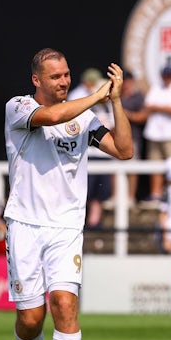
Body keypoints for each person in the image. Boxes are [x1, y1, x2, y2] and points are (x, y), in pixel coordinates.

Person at [3, 48, 132, 340]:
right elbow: (54, 116)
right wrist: (98, 95)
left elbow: (124, 149)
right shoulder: (18, 107)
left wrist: (116, 103)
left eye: (66, 74)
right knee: (31, 319)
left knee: (64, 305)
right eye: (56, 76)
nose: (63, 81)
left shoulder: (86, 118)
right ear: (37, 80)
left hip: (66, 227)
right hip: (25, 224)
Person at [68, 68, 113, 228]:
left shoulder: (104, 100)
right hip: (86, 151)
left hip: (104, 151)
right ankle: (80, 220)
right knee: (83, 188)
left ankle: (94, 221)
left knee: (100, 191)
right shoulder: (76, 96)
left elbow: (112, 124)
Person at [141, 65, 171, 208]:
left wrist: (157, 107)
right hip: (155, 134)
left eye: (168, 75)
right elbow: (148, 105)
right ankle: (156, 195)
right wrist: (163, 107)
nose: (166, 78)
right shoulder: (156, 87)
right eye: (164, 75)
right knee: (155, 166)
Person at [121, 70, 148, 207]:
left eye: (127, 80)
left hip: (133, 138)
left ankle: (130, 197)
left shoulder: (138, 97)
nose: (125, 83)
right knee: (115, 168)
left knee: (132, 169)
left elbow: (143, 116)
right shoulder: (117, 95)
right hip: (116, 137)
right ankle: (116, 197)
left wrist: (126, 115)